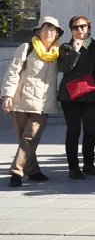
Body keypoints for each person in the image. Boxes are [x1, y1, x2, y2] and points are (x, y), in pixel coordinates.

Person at [2, 16, 62, 187]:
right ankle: (33, 170)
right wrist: (7, 95)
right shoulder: (27, 47)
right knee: (25, 139)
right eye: (46, 28)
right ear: (38, 31)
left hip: (43, 102)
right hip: (21, 100)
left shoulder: (58, 53)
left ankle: (16, 171)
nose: (50, 32)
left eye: (53, 30)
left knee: (30, 136)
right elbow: (13, 72)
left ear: (57, 34)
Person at [57, 16, 95, 179]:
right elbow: (64, 68)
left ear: (89, 28)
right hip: (70, 95)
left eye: (83, 26)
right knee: (73, 131)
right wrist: (75, 51)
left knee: (91, 131)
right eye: (75, 27)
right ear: (71, 30)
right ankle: (73, 167)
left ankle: (89, 164)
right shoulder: (66, 47)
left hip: (90, 92)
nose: (79, 30)